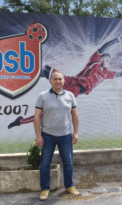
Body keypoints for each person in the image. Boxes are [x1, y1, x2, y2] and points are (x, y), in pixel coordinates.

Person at [8, 32, 122, 129]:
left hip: (76, 90)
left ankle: (21, 121)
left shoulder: (106, 73)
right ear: (101, 58)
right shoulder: (94, 61)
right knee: (46, 69)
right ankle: (20, 67)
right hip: (71, 81)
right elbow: (103, 48)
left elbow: (119, 74)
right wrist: (118, 40)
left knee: (49, 112)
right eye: (105, 57)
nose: (106, 59)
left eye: (108, 59)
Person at [34, 71, 79, 201]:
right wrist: (38, 135)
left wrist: (75, 132)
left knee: (68, 163)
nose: (58, 81)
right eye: (55, 79)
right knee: (45, 164)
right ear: (50, 81)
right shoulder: (42, 96)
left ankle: (69, 186)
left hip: (65, 135)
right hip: (48, 136)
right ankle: (44, 189)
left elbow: (75, 115)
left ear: (64, 81)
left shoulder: (70, 96)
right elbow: (37, 117)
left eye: (60, 79)